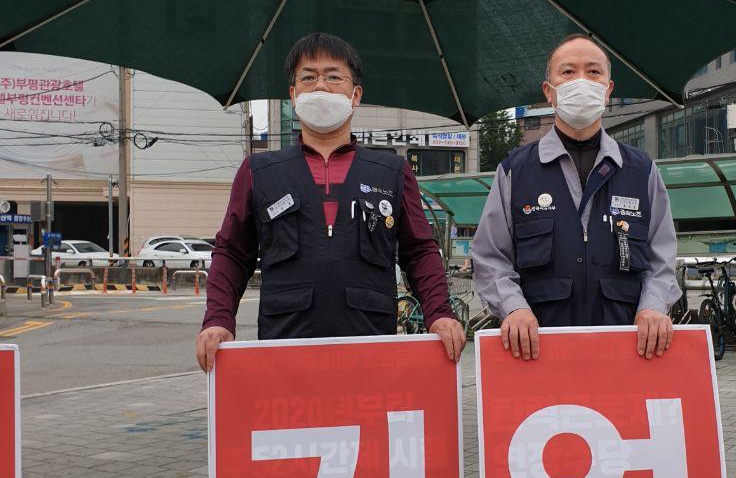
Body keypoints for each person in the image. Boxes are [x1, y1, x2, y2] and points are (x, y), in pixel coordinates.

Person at [196, 32, 466, 370]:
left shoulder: (391, 171)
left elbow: (419, 250)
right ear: (293, 95)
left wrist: (439, 312)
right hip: (285, 350)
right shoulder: (260, 170)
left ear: (356, 96)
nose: (320, 86)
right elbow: (232, 252)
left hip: (370, 345)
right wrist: (218, 320)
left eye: (334, 76)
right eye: (308, 77)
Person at [472, 33, 680, 362]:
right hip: (539, 356)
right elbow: (490, 257)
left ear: (608, 90)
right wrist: (513, 309)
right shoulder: (516, 171)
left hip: (624, 354)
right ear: (549, 92)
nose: (581, 81)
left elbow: (662, 258)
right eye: (568, 72)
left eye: (593, 72)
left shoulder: (640, 172)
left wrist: (654, 307)